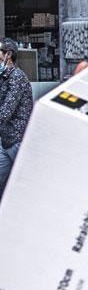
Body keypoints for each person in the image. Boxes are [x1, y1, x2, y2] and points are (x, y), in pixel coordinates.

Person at [0, 38, 34, 198]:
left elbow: (5, 113)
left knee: (26, 187)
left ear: (8, 55)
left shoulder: (17, 78)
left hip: (18, 140)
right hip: (6, 141)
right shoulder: (3, 78)